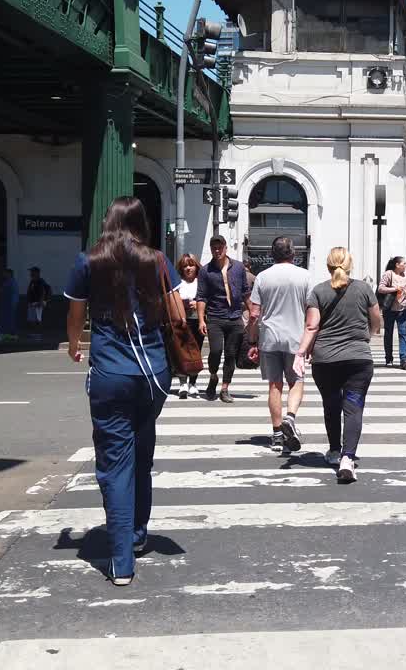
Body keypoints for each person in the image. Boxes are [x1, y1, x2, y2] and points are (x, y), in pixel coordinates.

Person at [65, 196, 184, 587]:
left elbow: (75, 316)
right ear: (141, 222)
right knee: (142, 448)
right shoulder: (156, 260)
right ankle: (136, 534)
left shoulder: (89, 261)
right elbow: (178, 313)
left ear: (109, 221)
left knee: (116, 463)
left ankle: (121, 562)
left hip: (110, 374)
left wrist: (74, 345)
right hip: (154, 374)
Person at [294, 247, 381, 481]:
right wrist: (366, 336)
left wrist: (300, 353)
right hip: (358, 360)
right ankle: (347, 458)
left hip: (326, 361)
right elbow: (376, 320)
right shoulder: (364, 289)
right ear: (350, 265)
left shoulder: (319, 291)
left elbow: (311, 327)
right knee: (353, 407)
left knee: (331, 405)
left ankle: (334, 451)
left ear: (328, 265)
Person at [247, 236, 312, 452]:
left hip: (270, 338)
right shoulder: (305, 276)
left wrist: (252, 341)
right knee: (297, 382)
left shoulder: (262, 277)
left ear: (272, 254)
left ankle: (276, 435)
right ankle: (290, 418)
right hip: (296, 338)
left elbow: (254, 314)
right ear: (293, 254)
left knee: (274, 385)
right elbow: (311, 310)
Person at [195, 235, 250, 403]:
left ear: (226, 248)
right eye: (214, 248)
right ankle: (213, 376)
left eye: (220, 247)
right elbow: (201, 297)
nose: (217, 250)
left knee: (231, 354)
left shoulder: (238, 268)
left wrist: (252, 314)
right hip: (215, 317)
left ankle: (225, 388)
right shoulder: (206, 270)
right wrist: (201, 320)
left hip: (235, 317)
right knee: (215, 351)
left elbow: (245, 292)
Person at [174, 254, 204, 398]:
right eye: (185, 266)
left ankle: (193, 383)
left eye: (191, 265)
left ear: (196, 266)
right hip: (181, 321)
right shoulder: (177, 282)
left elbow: (207, 299)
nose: (188, 268)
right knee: (182, 351)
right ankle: (182, 383)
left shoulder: (202, 282)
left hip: (197, 321)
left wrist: (198, 304)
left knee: (195, 351)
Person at [377, 256, 406, 369]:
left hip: (403, 309)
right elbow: (380, 288)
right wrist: (395, 289)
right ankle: (388, 358)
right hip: (390, 309)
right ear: (397, 265)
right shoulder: (389, 274)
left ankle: (404, 359)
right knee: (388, 334)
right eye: (404, 263)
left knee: (403, 334)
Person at [26, 267, 51, 340]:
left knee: (38, 320)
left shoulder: (40, 281)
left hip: (37, 304)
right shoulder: (32, 281)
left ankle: (38, 335)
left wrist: (40, 302)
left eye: (32, 272)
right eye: (31, 272)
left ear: (37, 273)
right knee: (32, 320)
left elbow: (43, 292)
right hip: (32, 303)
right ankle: (34, 334)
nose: (30, 273)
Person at [0, 268, 20, 341]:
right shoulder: (11, 282)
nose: (4, 275)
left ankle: (11, 334)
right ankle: (10, 334)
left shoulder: (10, 282)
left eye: (5, 273)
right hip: (9, 304)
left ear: (9, 274)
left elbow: (6, 292)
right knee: (9, 319)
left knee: (8, 320)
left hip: (8, 304)